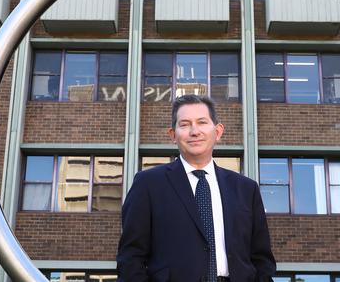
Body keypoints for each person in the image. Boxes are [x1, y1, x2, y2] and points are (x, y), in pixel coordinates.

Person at [117, 94, 276, 282]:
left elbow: (262, 258)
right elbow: (131, 257)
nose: (194, 131)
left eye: (202, 122)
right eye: (184, 124)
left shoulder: (246, 189)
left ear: (218, 131)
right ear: (172, 135)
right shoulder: (148, 184)